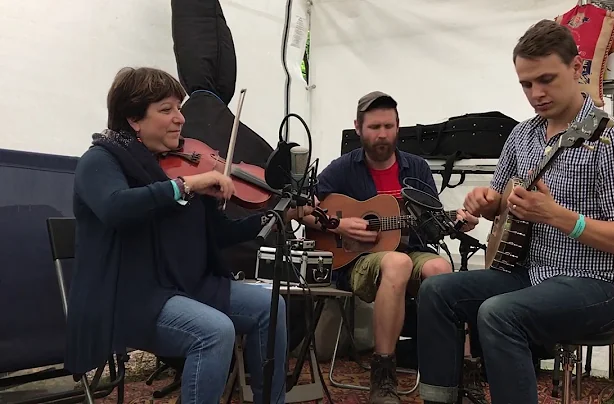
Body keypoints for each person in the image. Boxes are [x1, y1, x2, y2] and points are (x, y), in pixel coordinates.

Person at [416, 19, 614, 404]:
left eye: (546, 79)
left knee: (498, 313)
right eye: (526, 84)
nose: (536, 93)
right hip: (530, 274)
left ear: (576, 68)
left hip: (602, 283)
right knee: (436, 291)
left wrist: (557, 216)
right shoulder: (522, 134)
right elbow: (500, 202)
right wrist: (486, 204)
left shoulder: (613, 138)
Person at [64, 66, 312, 404]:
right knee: (214, 331)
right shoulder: (100, 160)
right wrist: (185, 186)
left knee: (271, 307)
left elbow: (217, 234)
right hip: (128, 296)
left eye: (179, 108)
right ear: (134, 119)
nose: (180, 119)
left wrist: (277, 215)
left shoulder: (174, 165)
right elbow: (115, 208)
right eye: (166, 110)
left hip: (184, 285)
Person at [301, 91, 478, 404]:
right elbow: (301, 208)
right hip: (356, 262)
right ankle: (383, 377)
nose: (382, 134)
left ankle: (462, 374)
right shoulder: (343, 169)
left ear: (398, 127)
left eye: (388, 126)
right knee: (396, 263)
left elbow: (432, 224)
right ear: (358, 127)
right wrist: (337, 225)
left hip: (410, 252)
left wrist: (456, 222)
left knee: (441, 269)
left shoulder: (417, 168)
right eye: (374, 127)